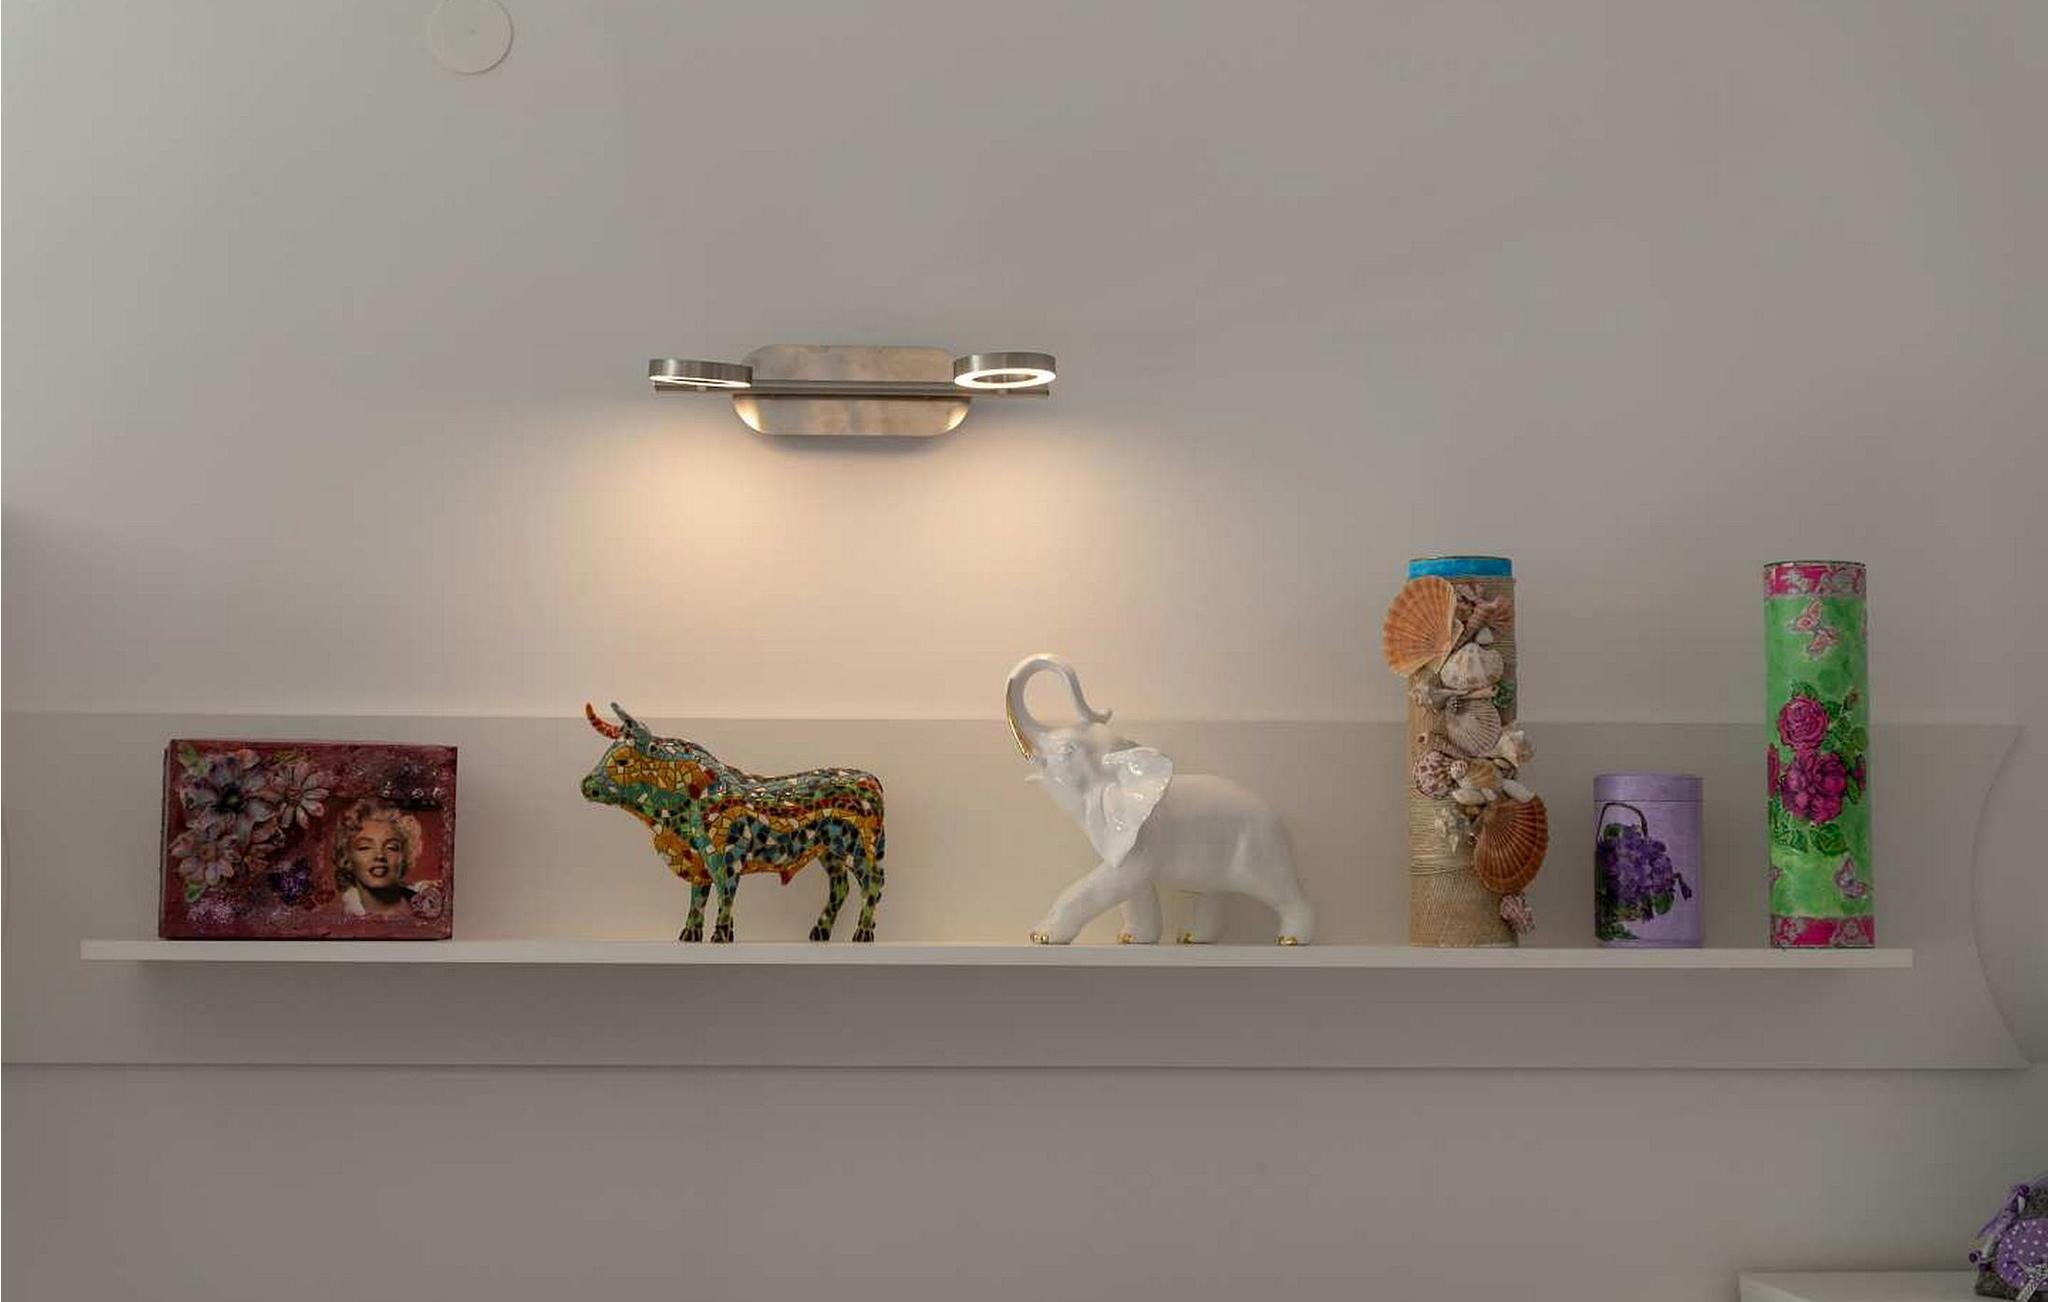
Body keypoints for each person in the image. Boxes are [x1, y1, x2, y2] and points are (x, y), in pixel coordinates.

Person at [330, 798, 433, 918]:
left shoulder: (429, 905)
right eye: (365, 847)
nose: (380, 855)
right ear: (347, 857)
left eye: (391, 847)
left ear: (405, 856)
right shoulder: (335, 917)